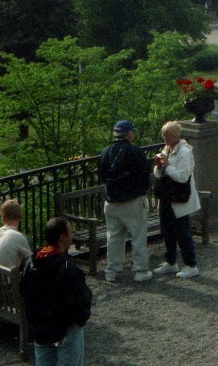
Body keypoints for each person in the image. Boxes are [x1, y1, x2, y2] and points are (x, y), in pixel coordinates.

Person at [20, 216, 92, 366]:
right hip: (64, 331)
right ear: (63, 238)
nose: (72, 237)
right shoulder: (68, 269)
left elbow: (24, 292)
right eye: (71, 233)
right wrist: (79, 320)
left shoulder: (31, 264)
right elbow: (81, 302)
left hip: (41, 331)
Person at [98, 119, 152, 283]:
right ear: (129, 134)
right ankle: (140, 271)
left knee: (114, 237)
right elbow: (144, 177)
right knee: (138, 236)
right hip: (132, 200)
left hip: (111, 202)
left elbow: (102, 176)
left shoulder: (105, 152)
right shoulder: (135, 152)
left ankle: (112, 271)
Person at [153, 121, 201, 279]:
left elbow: (182, 176)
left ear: (175, 136)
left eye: (167, 136)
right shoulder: (167, 149)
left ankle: (191, 264)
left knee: (182, 232)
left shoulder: (185, 152)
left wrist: (167, 166)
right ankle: (171, 261)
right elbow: (159, 174)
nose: (164, 139)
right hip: (167, 197)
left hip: (179, 198)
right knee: (167, 230)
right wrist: (159, 167)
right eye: (163, 135)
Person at [0, 199, 32, 269]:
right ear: (20, 217)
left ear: (4, 217)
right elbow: (32, 262)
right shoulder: (19, 237)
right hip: (7, 279)